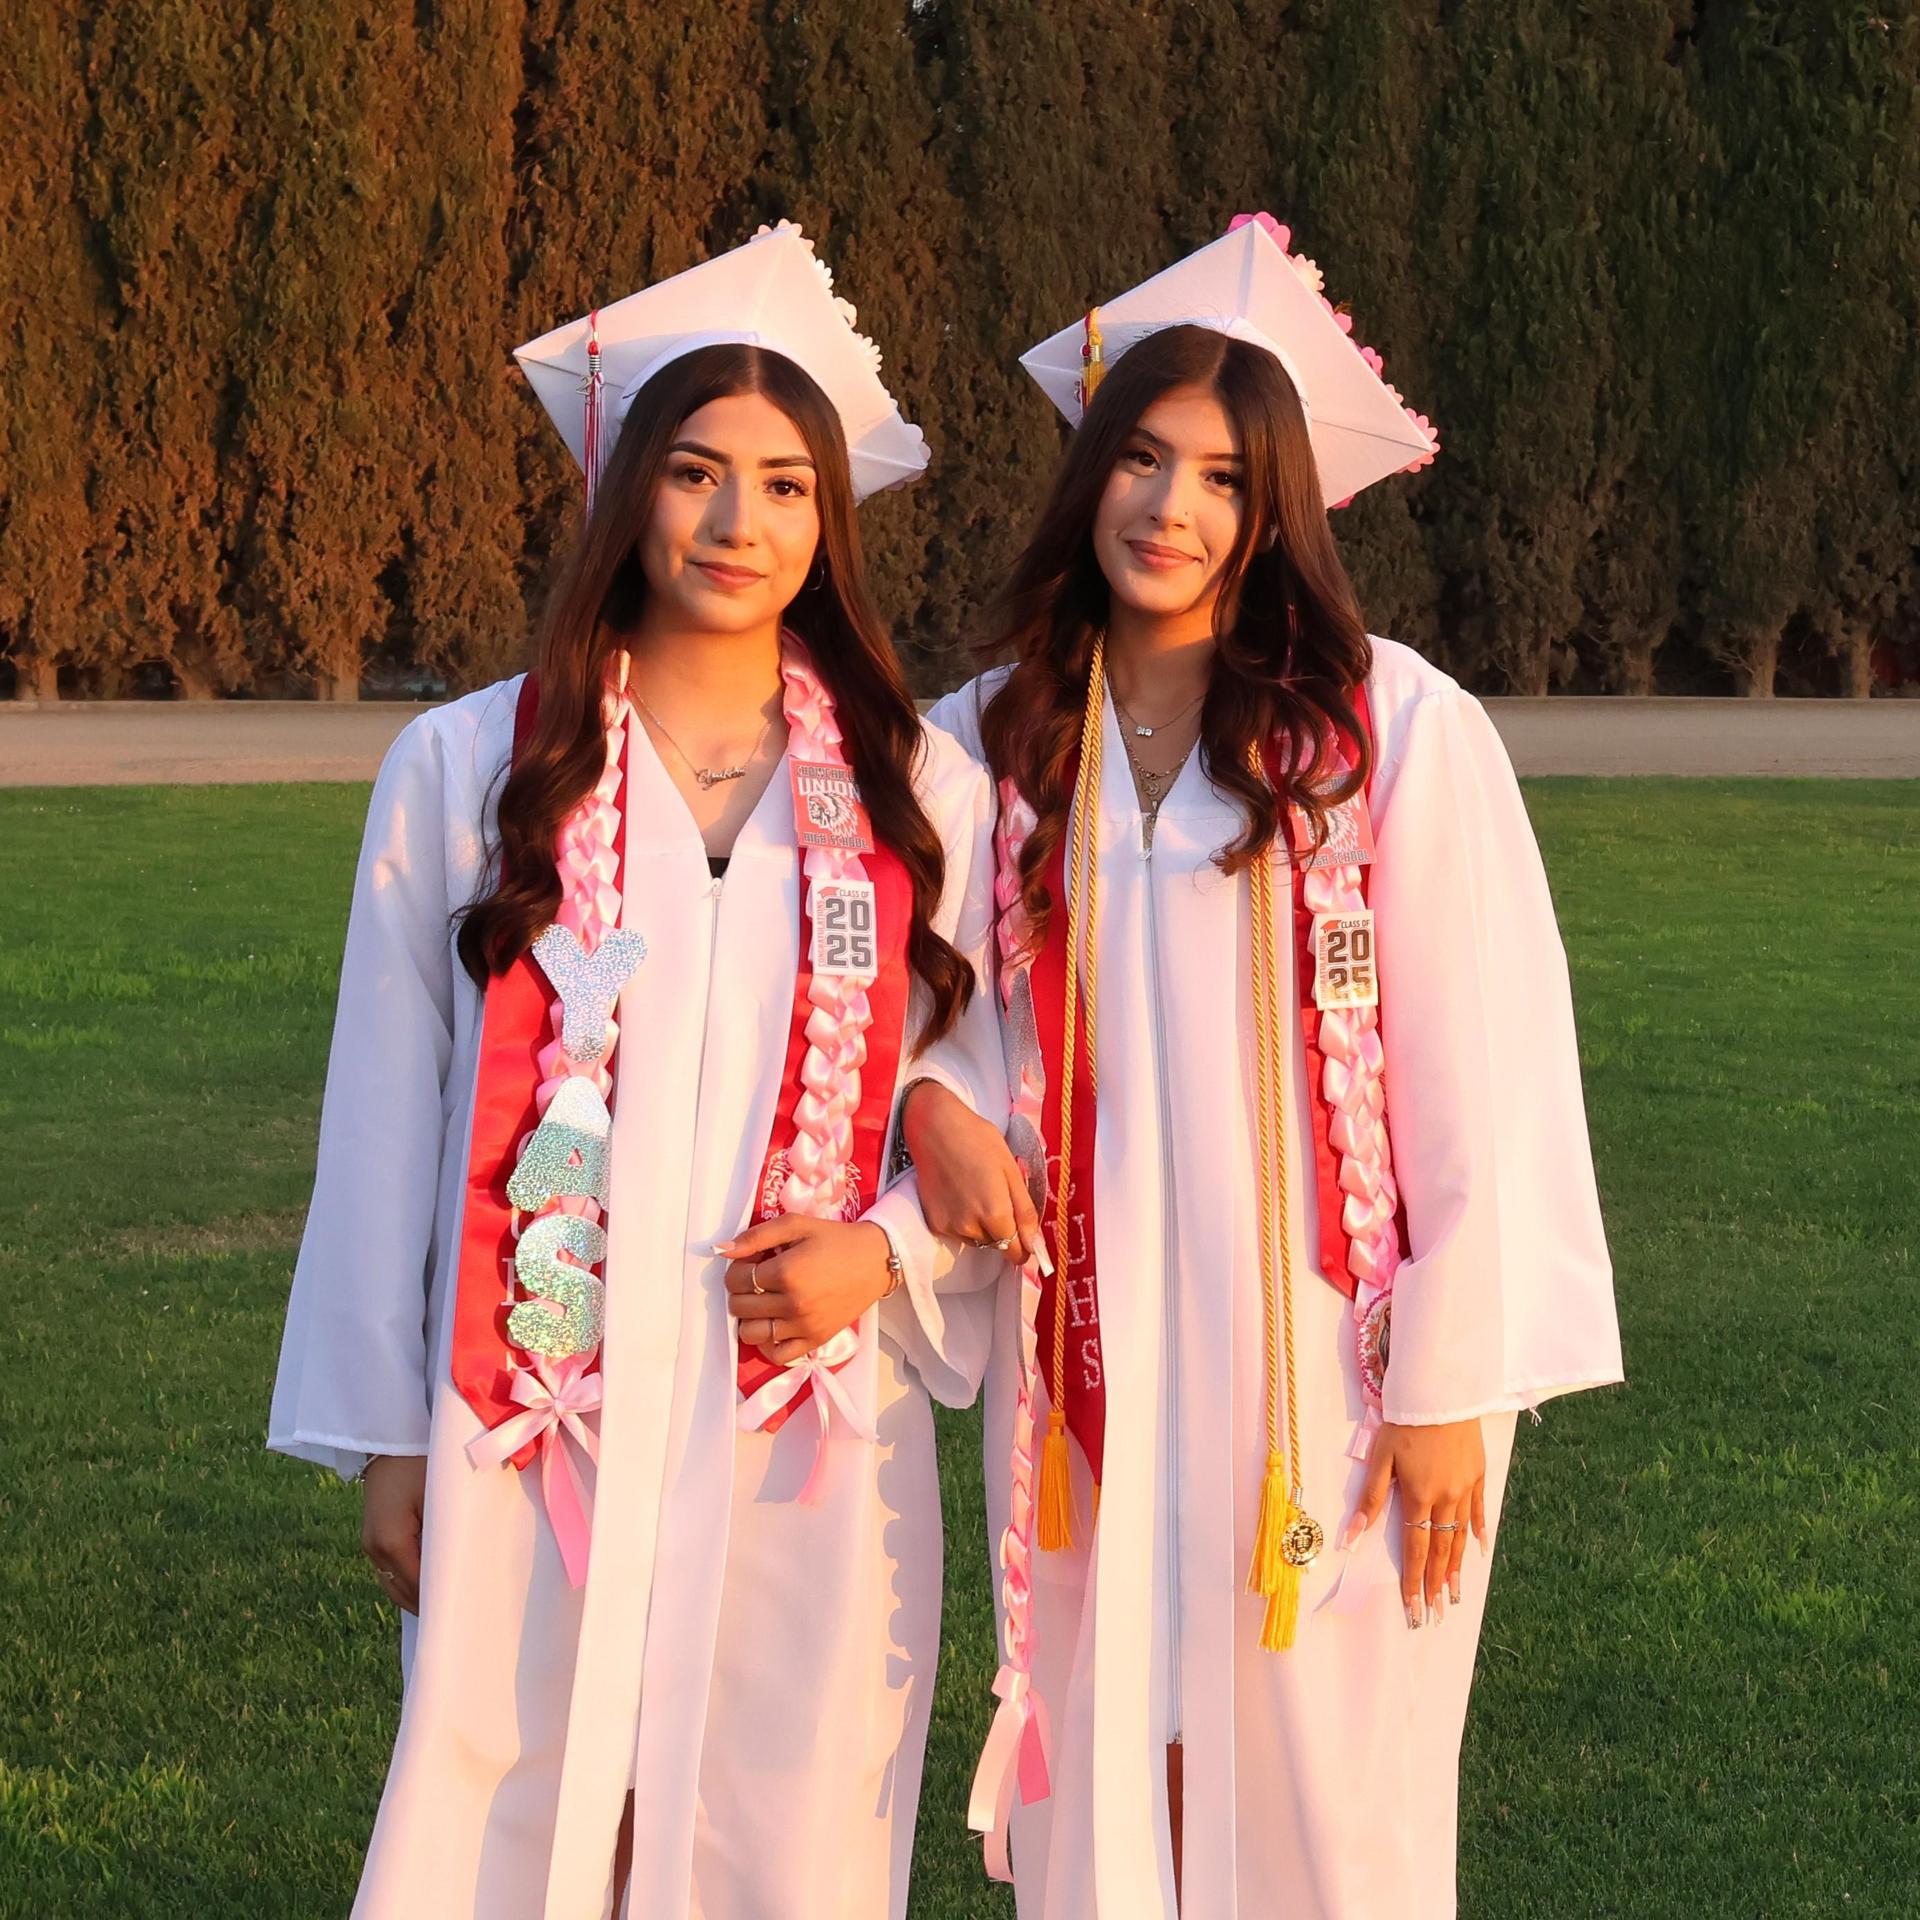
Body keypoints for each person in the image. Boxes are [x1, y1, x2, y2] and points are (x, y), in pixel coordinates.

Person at [268, 223, 1008, 1920]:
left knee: (784, 1825)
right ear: (626, 495)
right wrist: (388, 1434)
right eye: (694, 474)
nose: (740, 524)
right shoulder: (474, 764)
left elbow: (983, 1084)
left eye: (786, 486)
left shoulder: (913, 791)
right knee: (516, 1805)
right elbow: (384, 1111)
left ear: (830, 521)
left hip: (804, 1408)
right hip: (539, 1411)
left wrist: (884, 1248)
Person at [903, 214, 1624, 1918]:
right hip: (1087, 1354)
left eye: (1226, 478)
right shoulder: (988, 738)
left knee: (1330, 1784)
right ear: (1089, 472)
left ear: (1280, 505)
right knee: (1111, 1742)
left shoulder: (1389, 733)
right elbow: (927, 1010)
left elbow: (1487, 1072)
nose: (1173, 508)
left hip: (1327, 1370)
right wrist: (934, 1102)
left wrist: (1450, 1384)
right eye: (1141, 458)